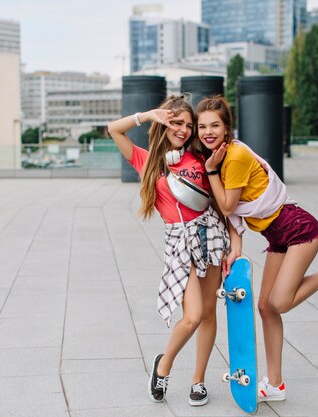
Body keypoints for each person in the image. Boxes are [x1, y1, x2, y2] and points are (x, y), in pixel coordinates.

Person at [195, 95, 318, 402]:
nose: (208, 132)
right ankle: (275, 384)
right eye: (202, 127)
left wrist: (212, 170)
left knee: (279, 303)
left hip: (299, 230)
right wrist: (234, 250)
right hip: (277, 236)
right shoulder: (219, 157)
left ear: (227, 128)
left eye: (215, 125)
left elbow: (227, 205)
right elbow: (236, 216)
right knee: (265, 307)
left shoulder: (234, 156)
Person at [107, 95, 229, 407]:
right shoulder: (150, 161)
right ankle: (164, 366)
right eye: (177, 123)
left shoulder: (202, 159)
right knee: (192, 316)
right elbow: (113, 129)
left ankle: (198, 381)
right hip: (178, 242)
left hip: (210, 234)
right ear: (165, 122)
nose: (185, 130)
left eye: (189, 126)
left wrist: (234, 243)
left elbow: (223, 203)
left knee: (209, 314)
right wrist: (148, 115)